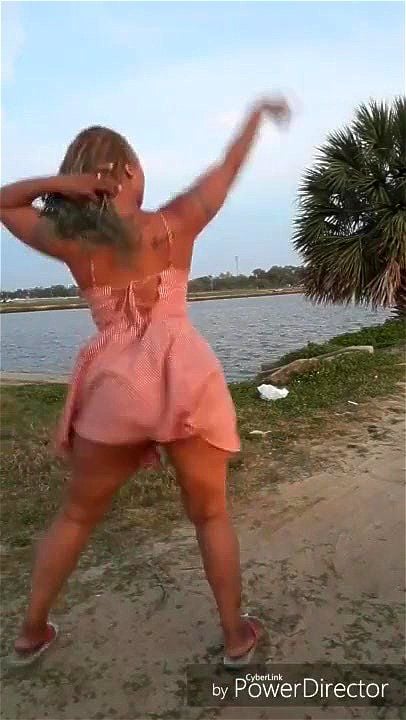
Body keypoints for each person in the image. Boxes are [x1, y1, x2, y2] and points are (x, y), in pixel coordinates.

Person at [0, 96, 291, 667]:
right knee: (211, 515)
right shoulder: (174, 224)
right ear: (132, 171)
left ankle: (31, 632)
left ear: (82, 183)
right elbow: (227, 168)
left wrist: (61, 185)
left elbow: (5, 201)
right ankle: (236, 636)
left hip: (115, 390)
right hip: (184, 380)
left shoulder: (72, 243)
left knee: (77, 515)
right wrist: (256, 116)